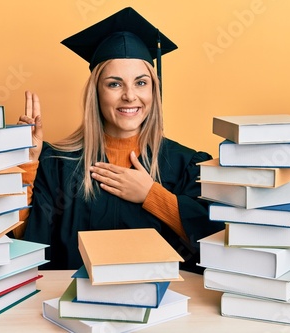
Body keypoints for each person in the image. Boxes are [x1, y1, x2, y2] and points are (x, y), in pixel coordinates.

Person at [12, 7, 224, 273]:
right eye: (114, 84)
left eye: (141, 83)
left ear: (153, 89)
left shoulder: (184, 164)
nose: (129, 96)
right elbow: (24, 243)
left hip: (163, 309)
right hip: (74, 306)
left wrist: (152, 195)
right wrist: (27, 166)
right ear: (96, 93)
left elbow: (213, 242)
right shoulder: (57, 163)